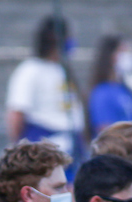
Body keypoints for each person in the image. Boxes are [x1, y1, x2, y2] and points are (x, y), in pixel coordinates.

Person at [5, 16, 85, 164]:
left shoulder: (63, 69)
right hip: (43, 143)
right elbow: (16, 113)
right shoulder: (30, 70)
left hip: (72, 143)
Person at [87, 35, 132, 137]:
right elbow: (105, 131)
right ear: (111, 55)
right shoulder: (102, 92)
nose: (128, 56)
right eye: (123, 51)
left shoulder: (126, 90)